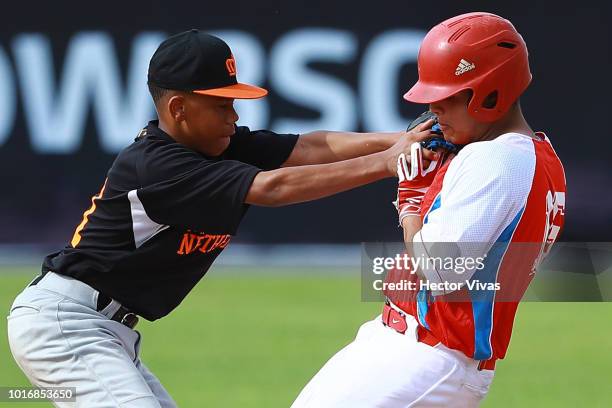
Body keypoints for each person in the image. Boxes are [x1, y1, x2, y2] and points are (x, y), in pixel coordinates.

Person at [6, 29, 437, 407]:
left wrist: (406, 139)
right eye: (221, 104)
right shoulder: (158, 165)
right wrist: (387, 162)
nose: (234, 115)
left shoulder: (218, 143)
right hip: (66, 325)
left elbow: (308, 147)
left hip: (107, 331)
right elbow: (274, 188)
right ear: (178, 108)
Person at [292, 12, 566, 408]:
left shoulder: (496, 161)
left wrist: (412, 204)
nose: (434, 108)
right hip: (416, 349)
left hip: (428, 356)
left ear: (491, 93)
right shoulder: (540, 156)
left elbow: (440, 269)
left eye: (447, 96)